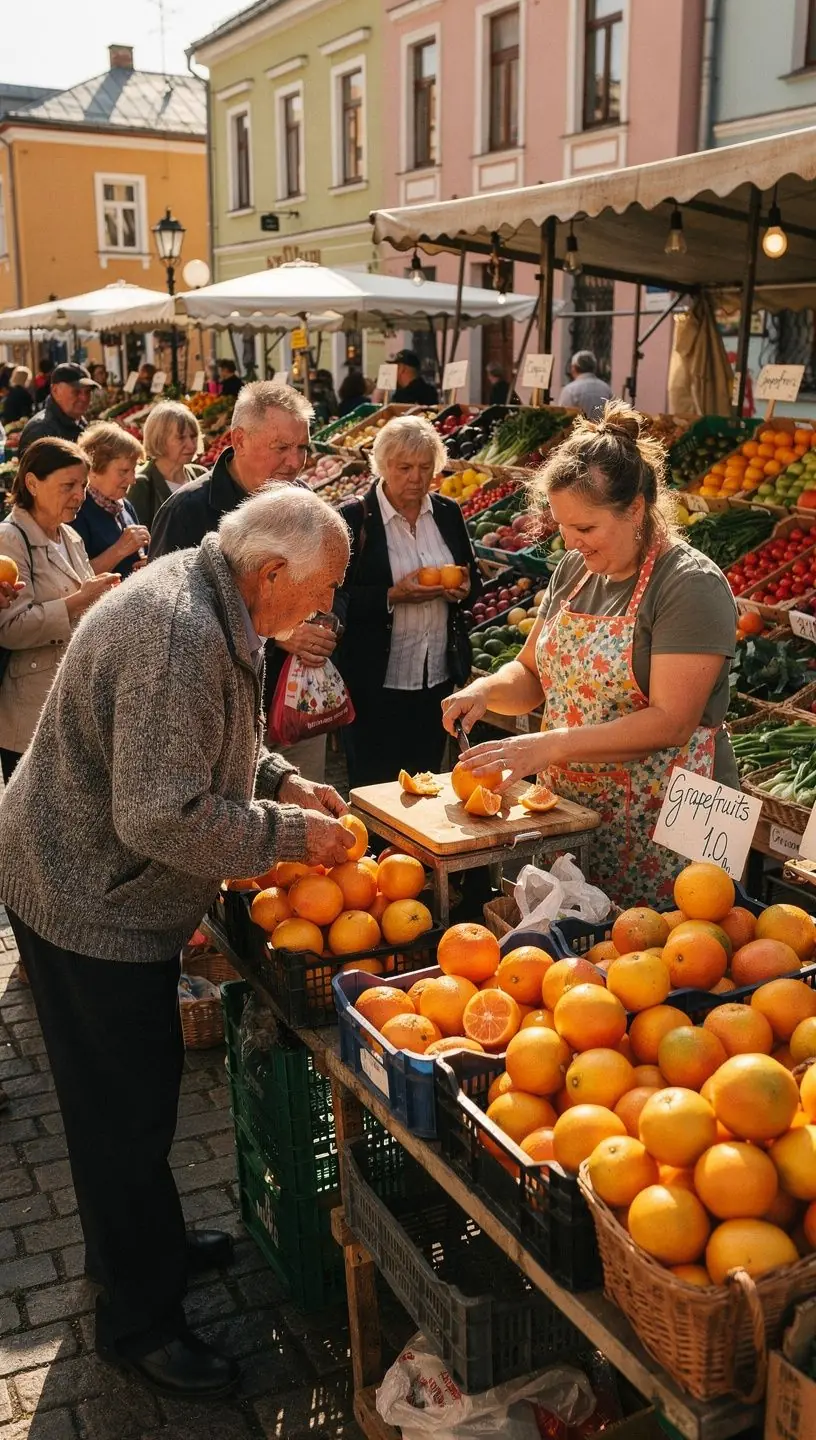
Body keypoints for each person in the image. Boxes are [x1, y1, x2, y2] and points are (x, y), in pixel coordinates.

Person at [0, 485, 355, 1398]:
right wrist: (286, 835)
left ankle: (140, 1248)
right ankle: (138, 1322)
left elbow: (207, 746)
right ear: (270, 572)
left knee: (133, 1100)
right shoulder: (183, 634)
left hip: (97, 881)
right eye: (320, 593)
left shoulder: (210, 593)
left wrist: (279, 777)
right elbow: (161, 812)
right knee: (122, 1113)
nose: (324, 613)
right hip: (87, 897)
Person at [443, 403, 738, 907]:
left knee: (676, 960)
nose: (572, 543)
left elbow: (671, 723)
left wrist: (548, 746)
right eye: (563, 528)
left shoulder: (689, 585)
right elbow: (532, 674)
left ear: (637, 510)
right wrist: (484, 690)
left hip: (677, 815)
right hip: (578, 809)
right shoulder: (575, 573)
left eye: (587, 528)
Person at [150, 381, 338, 782]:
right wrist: (281, 631)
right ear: (238, 439)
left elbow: (335, 584)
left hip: (296, 700)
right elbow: (165, 618)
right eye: (281, 447)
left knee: (305, 820)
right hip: (215, 710)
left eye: (302, 448)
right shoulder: (187, 510)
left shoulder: (305, 504)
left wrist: (324, 626)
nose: (295, 461)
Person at [337, 414, 479, 789]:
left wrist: (463, 590)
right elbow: (336, 598)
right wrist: (392, 596)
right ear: (382, 466)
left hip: (434, 680)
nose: (416, 478)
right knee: (374, 790)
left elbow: (472, 578)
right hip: (375, 684)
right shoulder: (355, 518)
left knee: (426, 784)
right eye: (404, 468)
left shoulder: (447, 513)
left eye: (425, 468)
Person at [0, 438, 120, 783]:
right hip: (29, 715)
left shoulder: (70, 537)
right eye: (67, 485)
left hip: (72, 709)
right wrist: (80, 599)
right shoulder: (11, 538)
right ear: (32, 483)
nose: (79, 495)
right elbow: (11, 628)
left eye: (82, 485)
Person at [74, 424, 149, 580]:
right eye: (124, 471)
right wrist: (119, 550)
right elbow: (74, 579)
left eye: (133, 470)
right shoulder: (76, 511)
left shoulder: (124, 506)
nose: (132, 479)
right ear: (93, 469)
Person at [127, 401, 207, 530]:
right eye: (181, 438)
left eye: (193, 437)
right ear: (159, 440)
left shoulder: (201, 475)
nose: (191, 445)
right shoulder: (141, 485)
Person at [17, 362, 99, 459]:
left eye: (88, 391)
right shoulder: (41, 430)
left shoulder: (80, 423)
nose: (84, 398)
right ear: (55, 390)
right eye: (76, 392)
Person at [558, 350, 613, 420]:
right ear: (594, 368)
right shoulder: (606, 388)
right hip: (602, 430)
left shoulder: (570, 390)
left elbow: (563, 416)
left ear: (574, 368)